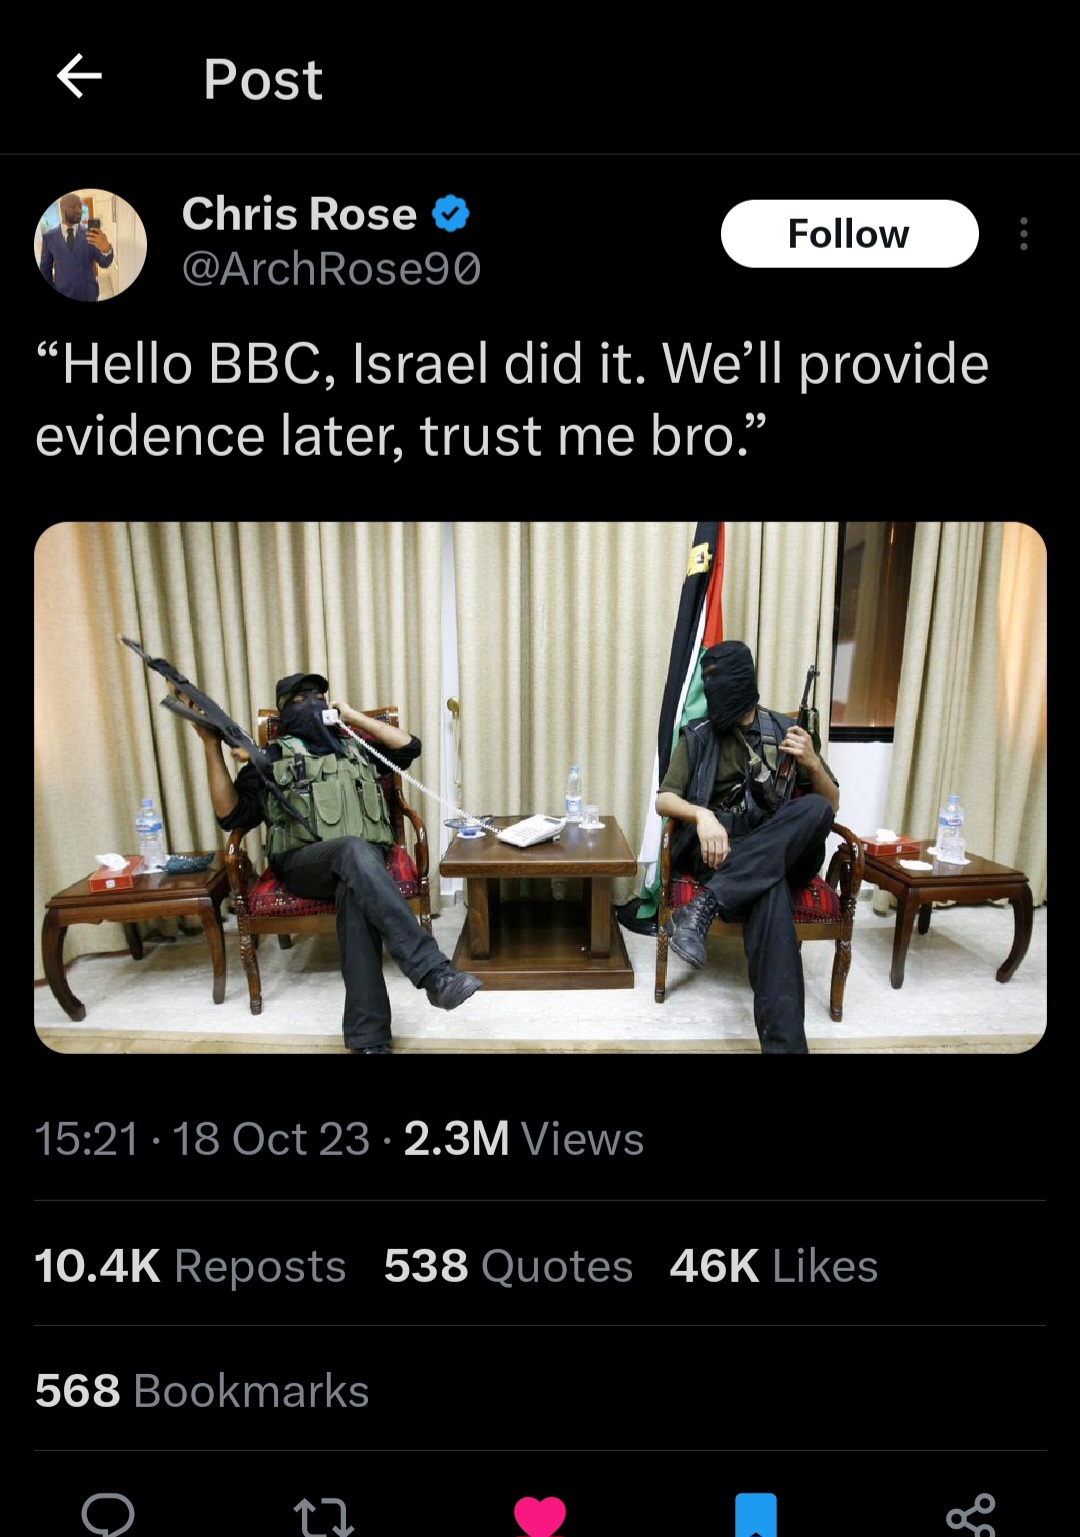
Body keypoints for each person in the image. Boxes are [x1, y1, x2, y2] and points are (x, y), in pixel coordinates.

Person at [188, 672, 482, 1054]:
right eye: (299, 700)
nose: (311, 703)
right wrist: (211, 746)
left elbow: (410, 746)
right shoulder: (272, 756)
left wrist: (354, 718)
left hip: (361, 868)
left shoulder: (356, 748)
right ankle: (432, 972)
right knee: (352, 852)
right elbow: (232, 816)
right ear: (284, 715)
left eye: (317, 696)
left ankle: (369, 1041)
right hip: (303, 864)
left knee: (354, 888)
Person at [656, 640, 840, 1055]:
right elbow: (664, 800)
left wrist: (812, 763)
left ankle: (705, 905)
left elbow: (830, 806)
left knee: (813, 808)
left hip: (782, 848)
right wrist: (702, 816)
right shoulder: (699, 735)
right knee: (768, 887)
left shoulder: (787, 733)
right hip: (724, 852)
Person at [40, 192, 114, 301]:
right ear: (62, 208)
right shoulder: (49, 237)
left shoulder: (90, 234)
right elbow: (45, 271)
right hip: (63, 291)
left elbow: (105, 263)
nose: (78, 210)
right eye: (73, 206)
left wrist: (106, 249)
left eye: (80, 207)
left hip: (88, 293)